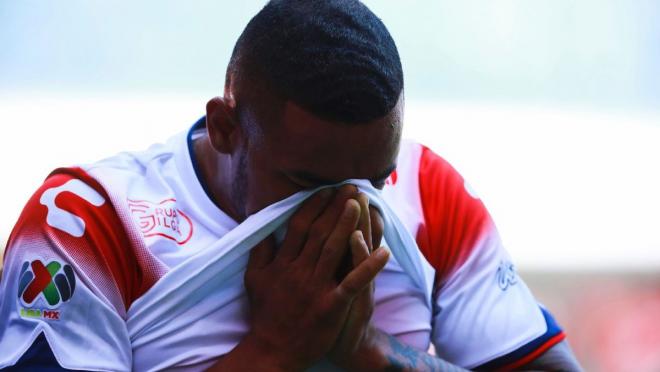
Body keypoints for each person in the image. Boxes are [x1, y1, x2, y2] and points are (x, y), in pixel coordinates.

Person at [0, 0, 582, 370]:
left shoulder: (428, 190)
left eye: (374, 181)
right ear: (227, 128)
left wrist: (366, 352)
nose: (349, 212)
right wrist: (274, 350)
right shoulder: (85, 224)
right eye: (306, 182)